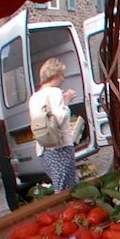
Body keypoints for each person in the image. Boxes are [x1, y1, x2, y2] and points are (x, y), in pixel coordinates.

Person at [27, 58, 78, 191]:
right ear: (54, 75)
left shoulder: (34, 97)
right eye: (62, 75)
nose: (63, 79)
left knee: (67, 185)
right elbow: (59, 118)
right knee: (65, 190)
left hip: (43, 150)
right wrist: (66, 101)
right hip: (60, 147)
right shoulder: (55, 92)